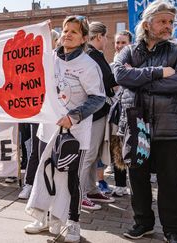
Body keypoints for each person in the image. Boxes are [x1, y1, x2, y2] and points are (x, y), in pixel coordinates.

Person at [25, 16, 105, 243]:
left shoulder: (89, 65)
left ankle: (73, 222)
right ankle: (43, 217)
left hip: (75, 132)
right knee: (44, 172)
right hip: (48, 128)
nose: (67, 34)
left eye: (74, 32)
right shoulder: (50, 59)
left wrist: (74, 116)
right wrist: (41, 33)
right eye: (65, 30)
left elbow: (98, 99)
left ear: (83, 39)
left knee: (71, 179)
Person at [113, 1, 177, 242]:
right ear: (147, 24)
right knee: (138, 179)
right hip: (135, 125)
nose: (168, 26)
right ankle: (142, 223)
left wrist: (139, 80)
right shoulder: (129, 50)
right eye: (163, 21)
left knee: (170, 182)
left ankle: (173, 230)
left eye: (171, 22)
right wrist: (158, 72)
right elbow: (120, 74)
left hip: (169, 128)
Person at [79, 21, 117, 210]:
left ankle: (91, 188)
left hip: (99, 112)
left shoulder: (94, 56)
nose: (107, 41)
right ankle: (79, 193)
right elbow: (107, 81)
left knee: (93, 155)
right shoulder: (91, 57)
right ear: (99, 36)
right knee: (89, 154)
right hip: (93, 113)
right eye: (107, 37)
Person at [19, 29, 61, 199]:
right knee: (35, 150)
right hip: (38, 111)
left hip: (57, 112)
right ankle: (29, 184)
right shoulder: (34, 60)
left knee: (55, 151)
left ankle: (52, 188)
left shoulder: (58, 60)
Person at [109, 30, 133, 197]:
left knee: (133, 147)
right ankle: (119, 184)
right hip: (116, 112)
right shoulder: (111, 66)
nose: (119, 46)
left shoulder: (136, 64)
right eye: (117, 42)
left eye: (123, 42)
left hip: (133, 111)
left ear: (130, 44)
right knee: (117, 147)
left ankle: (136, 185)